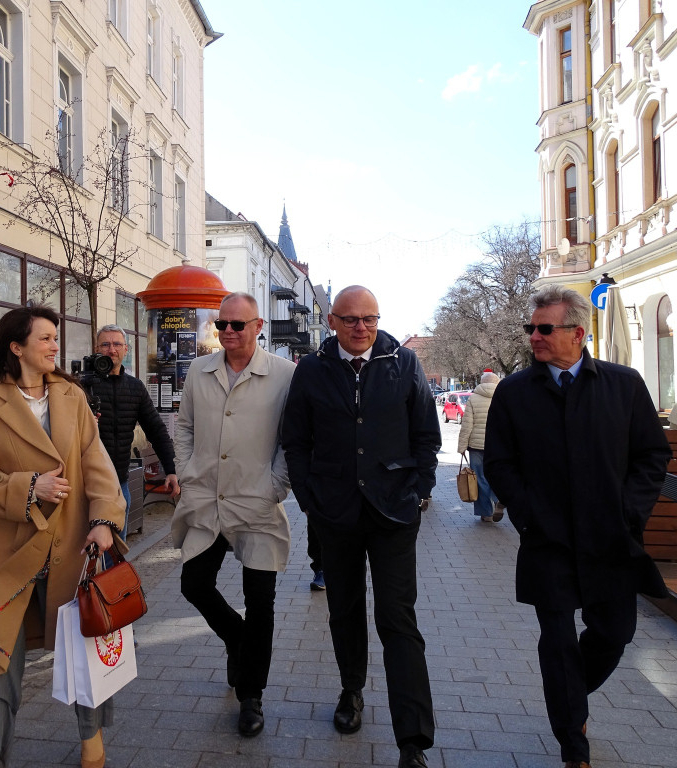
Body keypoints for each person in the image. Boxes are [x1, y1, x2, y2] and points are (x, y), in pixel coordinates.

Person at [484, 285, 671, 768]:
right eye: (531, 328)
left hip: (610, 538)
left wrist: (630, 512)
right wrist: (528, 514)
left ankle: (568, 698)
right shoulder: (514, 392)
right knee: (558, 641)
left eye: (545, 328)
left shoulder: (623, 384)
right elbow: (499, 462)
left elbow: (652, 455)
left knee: (615, 633)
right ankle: (574, 745)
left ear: (578, 333)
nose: (535, 337)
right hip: (548, 541)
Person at [0, 305, 126, 768]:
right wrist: (29, 486)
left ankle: (92, 743)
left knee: (85, 650)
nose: (54, 346)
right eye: (45, 338)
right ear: (17, 347)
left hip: (72, 547)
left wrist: (104, 520)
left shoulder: (71, 398)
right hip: (11, 556)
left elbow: (96, 464)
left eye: (55, 337)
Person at [282, 285, 439, 768]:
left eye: (369, 318)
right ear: (332, 321)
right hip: (336, 513)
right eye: (350, 319)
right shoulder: (312, 369)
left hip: (394, 512)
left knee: (398, 618)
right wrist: (309, 499)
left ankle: (412, 739)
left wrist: (419, 490)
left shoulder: (402, 362)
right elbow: (296, 440)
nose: (361, 328)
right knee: (344, 610)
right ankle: (351, 690)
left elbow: (426, 435)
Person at [172, 292, 297, 738]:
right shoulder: (199, 370)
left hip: (256, 502)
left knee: (260, 602)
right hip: (206, 499)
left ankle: (251, 696)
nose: (227, 331)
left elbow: (291, 440)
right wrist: (186, 471)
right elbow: (184, 426)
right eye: (221, 324)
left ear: (257, 326)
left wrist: (275, 486)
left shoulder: (284, 375)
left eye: (237, 325)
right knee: (194, 584)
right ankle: (236, 637)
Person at [85, 324, 180, 538]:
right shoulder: (82, 386)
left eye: (117, 344)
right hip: (85, 484)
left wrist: (171, 469)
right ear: (97, 348)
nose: (111, 350)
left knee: (116, 551)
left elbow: (156, 430)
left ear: (126, 349)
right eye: (105, 344)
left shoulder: (135, 387)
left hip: (119, 483)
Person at [456, 370, 504, 522]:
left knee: (479, 478)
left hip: (476, 446)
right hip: (498, 445)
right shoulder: (503, 396)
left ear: (482, 383)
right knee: (497, 475)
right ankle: (498, 498)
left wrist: (462, 447)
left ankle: (486, 513)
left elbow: (467, 425)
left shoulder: (473, 398)